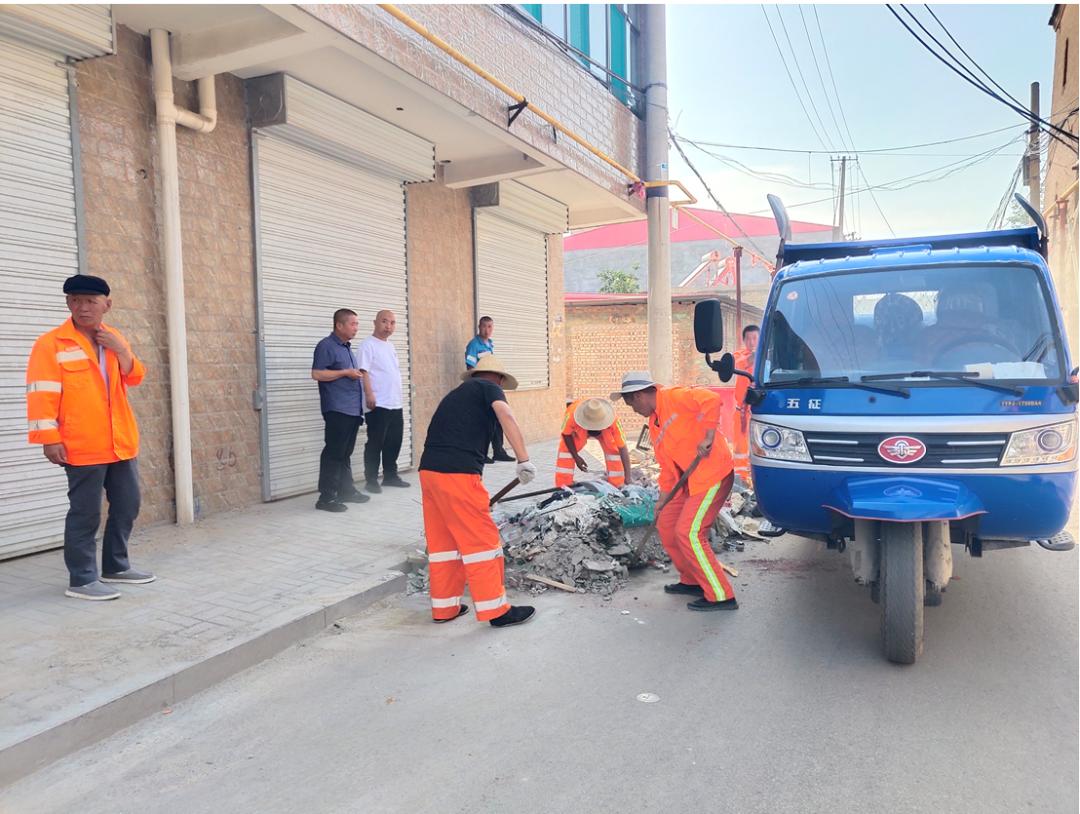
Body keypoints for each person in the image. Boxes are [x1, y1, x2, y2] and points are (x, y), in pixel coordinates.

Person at [26, 275, 154, 600]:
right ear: (68, 303)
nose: (82, 307)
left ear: (106, 305)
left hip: (120, 441)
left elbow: (135, 376)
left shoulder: (112, 339)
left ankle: (116, 565)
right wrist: (48, 438)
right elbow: (41, 395)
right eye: (75, 300)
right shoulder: (50, 344)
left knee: (128, 504)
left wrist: (122, 349)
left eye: (90, 301)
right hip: (81, 444)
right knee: (85, 513)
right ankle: (82, 579)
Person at [419, 355, 538, 627]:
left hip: (429, 472)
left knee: (444, 545)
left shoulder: (458, 393)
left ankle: (445, 608)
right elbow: (506, 415)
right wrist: (523, 459)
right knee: (482, 542)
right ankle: (496, 611)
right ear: (496, 377)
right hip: (458, 474)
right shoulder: (489, 387)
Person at [612, 371, 739, 612]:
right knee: (667, 524)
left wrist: (709, 434)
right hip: (688, 481)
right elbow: (669, 470)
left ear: (639, 395)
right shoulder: (654, 423)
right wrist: (662, 501)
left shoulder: (674, 396)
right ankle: (691, 580)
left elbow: (711, 399)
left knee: (689, 533)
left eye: (631, 404)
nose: (633, 410)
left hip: (712, 475)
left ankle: (721, 595)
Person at [311, 309, 371, 512]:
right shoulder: (326, 346)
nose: (356, 327)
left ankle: (346, 490)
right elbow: (317, 373)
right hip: (337, 408)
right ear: (339, 325)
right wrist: (345, 372)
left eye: (357, 323)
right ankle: (326, 497)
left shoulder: (346, 348)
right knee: (333, 452)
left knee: (345, 452)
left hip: (352, 409)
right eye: (353, 323)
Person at [357, 310, 410, 493]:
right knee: (375, 442)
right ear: (375, 322)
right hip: (378, 403)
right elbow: (363, 372)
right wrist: (369, 394)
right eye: (384, 321)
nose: (388, 326)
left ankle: (390, 475)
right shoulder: (367, 345)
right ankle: (371, 479)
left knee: (394, 441)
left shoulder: (390, 346)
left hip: (395, 402)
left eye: (392, 322)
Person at [465, 316, 513, 463]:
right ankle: (481, 453)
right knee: (483, 421)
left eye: (490, 327)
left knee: (497, 418)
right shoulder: (474, 345)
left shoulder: (490, 344)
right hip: (480, 388)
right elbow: (470, 367)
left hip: (492, 386)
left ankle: (499, 451)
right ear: (479, 327)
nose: (487, 330)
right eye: (484, 326)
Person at [556, 397, 631, 488]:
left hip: (606, 432)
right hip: (580, 430)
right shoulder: (572, 414)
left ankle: (617, 484)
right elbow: (566, 434)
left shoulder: (613, 420)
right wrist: (576, 457)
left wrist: (628, 478)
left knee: (614, 452)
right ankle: (564, 486)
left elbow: (622, 448)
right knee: (565, 452)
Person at [732, 324, 759, 485]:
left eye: (755, 338)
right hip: (741, 411)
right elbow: (740, 364)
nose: (751, 341)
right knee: (740, 447)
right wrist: (758, 354)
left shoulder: (769, 357)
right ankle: (741, 479)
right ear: (744, 340)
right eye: (748, 338)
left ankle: (755, 477)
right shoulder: (738, 356)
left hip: (759, 410)